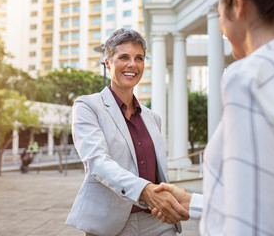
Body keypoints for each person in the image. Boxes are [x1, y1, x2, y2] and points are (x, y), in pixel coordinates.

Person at [151, 0, 274, 235]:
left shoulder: (250, 78)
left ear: (238, 3)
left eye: (220, 10)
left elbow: (251, 225)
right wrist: (192, 202)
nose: (220, 23)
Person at [65, 28, 189, 236]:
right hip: (110, 225)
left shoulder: (152, 118)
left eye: (139, 58)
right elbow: (98, 162)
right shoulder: (87, 106)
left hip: (157, 222)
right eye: (124, 57)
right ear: (108, 63)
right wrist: (145, 191)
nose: (132, 64)